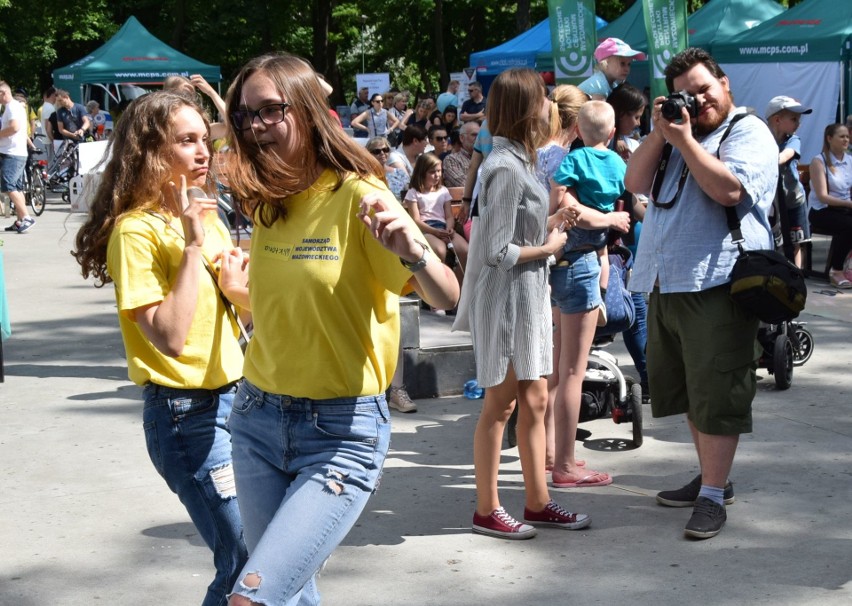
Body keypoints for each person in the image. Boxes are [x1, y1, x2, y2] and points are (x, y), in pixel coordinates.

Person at [222, 52, 458, 604]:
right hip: (255, 420)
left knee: (252, 597)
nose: (254, 126)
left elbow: (447, 294)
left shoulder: (361, 196)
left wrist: (415, 254)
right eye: (244, 115)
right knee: (288, 594)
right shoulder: (267, 200)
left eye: (269, 111)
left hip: (339, 435)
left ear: (306, 110)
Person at [71, 90, 249, 605]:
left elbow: (240, 309)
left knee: (265, 556)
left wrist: (242, 290)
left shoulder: (202, 214)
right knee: (243, 561)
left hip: (240, 399)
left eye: (204, 140)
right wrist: (193, 248)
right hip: (186, 414)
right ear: (151, 150)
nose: (203, 152)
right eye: (187, 141)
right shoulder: (135, 231)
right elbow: (170, 336)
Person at [624, 47, 777, 539]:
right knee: (689, 388)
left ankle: (713, 497)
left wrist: (686, 139)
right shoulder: (673, 135)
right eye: (686, 94)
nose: (698, 100)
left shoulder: (748, 131)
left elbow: (729, 191)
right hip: (666, 279)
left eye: (704, 88)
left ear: (725, 83)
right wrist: (659, 131)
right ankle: (715, 480)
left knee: (717, 392)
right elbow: (634, 182)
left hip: (719, 280)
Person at [467, 67, 589, 540]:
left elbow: (513, 235)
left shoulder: (519, 161)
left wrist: (553, 220)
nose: (550, 105)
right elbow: (496, 251)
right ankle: (487, 509)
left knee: (535, 399)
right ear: (524, 107)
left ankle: (537, 501)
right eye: (542, 97)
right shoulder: (504, 167)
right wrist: (551, 245)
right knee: (500, 404)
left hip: (528, 297)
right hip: (506, 301)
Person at [548, 100, 630, 488]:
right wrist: (611, 219)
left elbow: (559, 195)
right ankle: (564, 464)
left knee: (556, 366)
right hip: (584, 262)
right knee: (572, 373)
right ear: (613, 133)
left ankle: (551, 451)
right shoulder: (617, 163)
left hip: (562, 259)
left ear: (577, 131)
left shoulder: (572, 158)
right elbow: (623, 203)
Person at [606, 83, 651, 400]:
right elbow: (632, 200)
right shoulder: (608, 154)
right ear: (620, 115)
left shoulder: (618, 148)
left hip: (616, 247)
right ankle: (650, 378)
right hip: (609, 249)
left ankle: (650, 377)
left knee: (636, 312)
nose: (638, 123)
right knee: (635, 313)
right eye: (634, 116)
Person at [764, 96, 813, 268]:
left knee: (795, 243)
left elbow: (785, 156)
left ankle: (795, 276)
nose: (798, 123)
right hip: (771, 203)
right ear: (777, 120)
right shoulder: (762, 139)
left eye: (799, 119)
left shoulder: (793, 140)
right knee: (771, 239)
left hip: (793, 201)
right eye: (794, 119)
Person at [403, 152, 468, 279]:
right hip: (426, 229)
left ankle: (459, 285)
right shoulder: (414, 193)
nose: (437, 175)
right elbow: (416, 220)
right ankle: (441, 284)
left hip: (444, 228)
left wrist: (449, 228)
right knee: (440, 250)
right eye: (432, 172)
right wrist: (435, 232)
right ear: (422, 172)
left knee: (465, 250)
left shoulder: (443, 191)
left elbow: (449, 215)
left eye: (439, 171)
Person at [807, 123, 852, 288]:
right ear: (829, 138)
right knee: (849, 226)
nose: (846, 140)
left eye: (847, 136)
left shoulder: (850, 160)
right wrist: (849, 204)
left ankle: (849, 266)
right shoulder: (819, 162)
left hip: (845, 209)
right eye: (842, 136)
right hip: (823, 211)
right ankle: (836, 271)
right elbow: (823, 197)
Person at [0, 82, 36, 233]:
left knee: (8, 185)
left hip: (12, 153)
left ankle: (27, 218)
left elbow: (14, 127)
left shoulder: (12, 107)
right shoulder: (15, 106)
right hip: (16, 152)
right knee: (16, 187)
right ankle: (21, 220)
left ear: (3, 93)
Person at [579, 38, 646, 101]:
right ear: (606, 62)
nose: (627, 69)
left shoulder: (614, 83)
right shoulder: (599, 85)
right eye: (622, 63)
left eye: (629, 64)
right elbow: (600, 113)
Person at [366, 135, 409, 201]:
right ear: (368, 154)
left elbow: (408, 194)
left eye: (385, 150)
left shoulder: (399, 173)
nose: (382, 153)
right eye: (377, 151)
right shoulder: (366, 175)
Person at [443, 120, 479, 188]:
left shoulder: (485, 159)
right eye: (474, 135)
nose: (478, 138)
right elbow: (466, 185)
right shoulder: (452, 159)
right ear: (462, 138)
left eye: (480, 135)